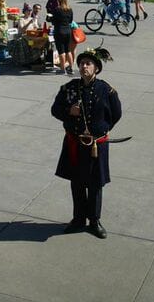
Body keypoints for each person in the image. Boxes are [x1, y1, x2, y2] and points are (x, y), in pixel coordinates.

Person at [51, 47, 121, 239]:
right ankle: (78, 219)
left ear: (96, 68)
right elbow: (55, 110)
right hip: (75, 143)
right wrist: (68, 112)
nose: (84, 67)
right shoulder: (69, 88)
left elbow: (116, 114)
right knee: (77, 183)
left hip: (97, 145)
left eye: (88, 64)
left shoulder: (106, 90)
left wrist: (102, 129)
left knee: (96, 184)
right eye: (81, 63)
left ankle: (94, 221)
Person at [50, 0, 75, 74]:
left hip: (59, 31)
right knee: (68, 50)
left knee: (61, 51)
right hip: (68, 31)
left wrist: (50, 18)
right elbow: (71, 21)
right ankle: (71, 68)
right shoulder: (70, 9)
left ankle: (62, 69)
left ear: (59, 1)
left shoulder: (57, 10)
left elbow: (53, 21)